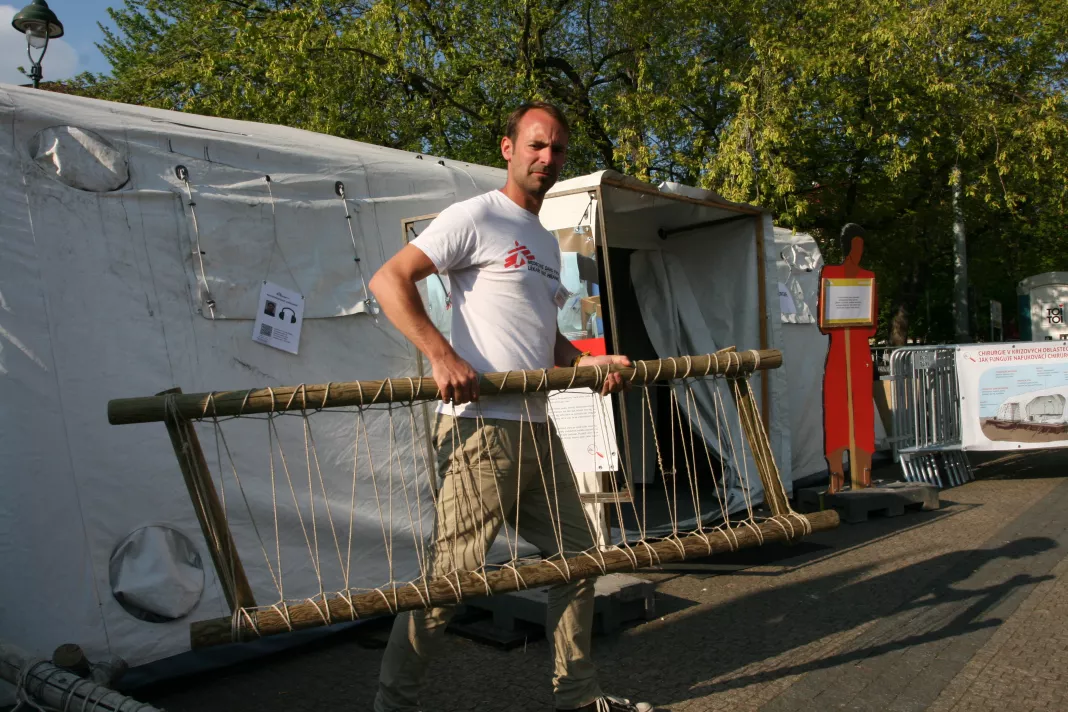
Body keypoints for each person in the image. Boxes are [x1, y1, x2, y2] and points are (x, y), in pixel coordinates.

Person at [368, 101, 653, 712]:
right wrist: (442, 356)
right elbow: (389, 280)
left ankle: (576, 695)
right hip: (480, 433)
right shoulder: (476, 215)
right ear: (508, 148)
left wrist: (585, 363)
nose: (547, 159)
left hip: (535, 427)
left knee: (578, 560)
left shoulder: (544, 239)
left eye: (557, 150)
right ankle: (392, 704)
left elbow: (544, 336)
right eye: (536, 146)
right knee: (448, 588)